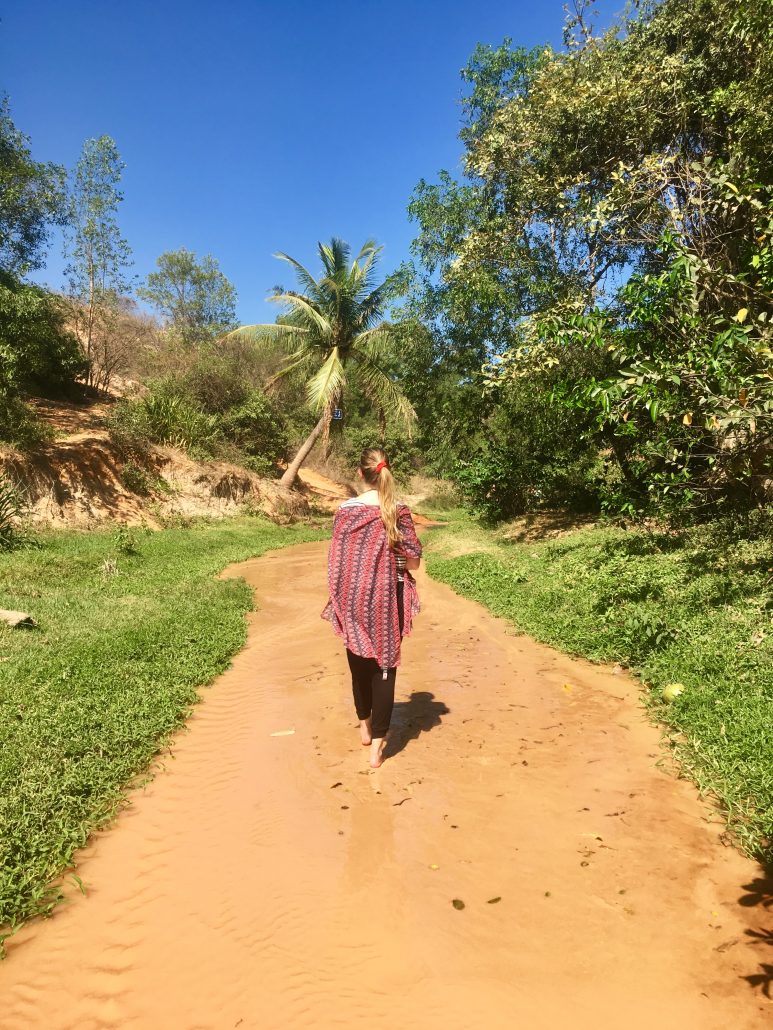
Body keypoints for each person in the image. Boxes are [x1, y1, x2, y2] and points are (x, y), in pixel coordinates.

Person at [322, 447, 422, 768]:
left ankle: (365, 726)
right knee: (384, 666)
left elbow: (338, 561)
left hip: (352, 597)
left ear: (358, 472)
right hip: (388, 597)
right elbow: (415, 562)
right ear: (386, 472)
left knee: (358, 660)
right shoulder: (398, 510)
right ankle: (376, 748)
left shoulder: (345, 511)